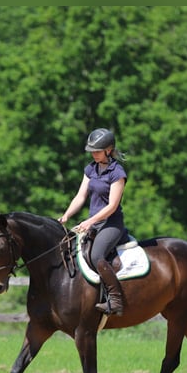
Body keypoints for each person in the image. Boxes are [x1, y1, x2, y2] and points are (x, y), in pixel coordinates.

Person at [59, 127, 128, 315]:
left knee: (97, 255)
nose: (94, 154)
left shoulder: (117, 173)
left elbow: (112, 206)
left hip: (111, 223)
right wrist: (66, 216)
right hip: (94, 222)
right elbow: (81, 196)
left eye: (97, 151)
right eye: (92, 151)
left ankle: (115, 300)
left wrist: (89, 222)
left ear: (109, 149)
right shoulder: (90, 168)